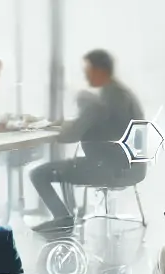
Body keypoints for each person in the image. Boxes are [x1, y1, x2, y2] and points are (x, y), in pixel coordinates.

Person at [29, 50, 145, 233]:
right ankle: (66, 217)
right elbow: (99, 126)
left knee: (38, 174)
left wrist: (57, 128)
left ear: (100, 70)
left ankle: (63, 218)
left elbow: (70, 136)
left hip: (108, 168)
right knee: (67, 166)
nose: (85, 75)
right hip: (129, 166)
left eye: (88, 70)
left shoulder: (103, 102)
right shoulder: (120, 95)